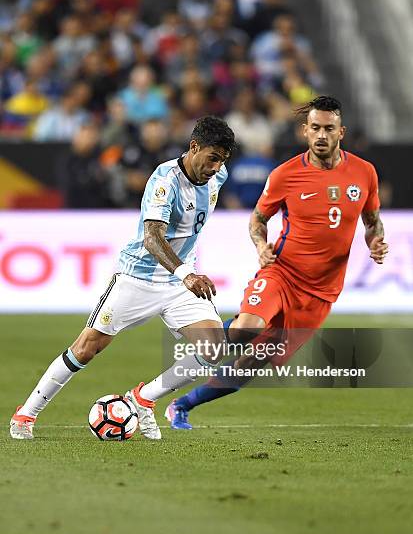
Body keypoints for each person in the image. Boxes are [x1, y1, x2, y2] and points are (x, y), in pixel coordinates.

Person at [164, 96, 389, 429]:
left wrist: (375, 242)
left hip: (322, 292)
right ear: (305, 131)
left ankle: (182, 405)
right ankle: (202, 337)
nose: (322, 135)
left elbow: (372, 221)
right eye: (315, 128)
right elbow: (257, 220)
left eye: (329, 128)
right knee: (246, 329)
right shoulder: (285, 174)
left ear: (341, 131)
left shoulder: (364, 173)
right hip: (281, 273)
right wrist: (260, 246)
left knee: (253, 361)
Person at [10, 116, 236, 440]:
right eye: (212, 158)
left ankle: (142, 399)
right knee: (86, 348)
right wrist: (186, 273)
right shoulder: (165, 180)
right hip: (139, 278)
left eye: (222, 160)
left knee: (214, 349)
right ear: (194, 147)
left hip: (176, 285)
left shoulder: (218, 175)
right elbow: (152, 238)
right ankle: (25, 415)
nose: (216, 167)